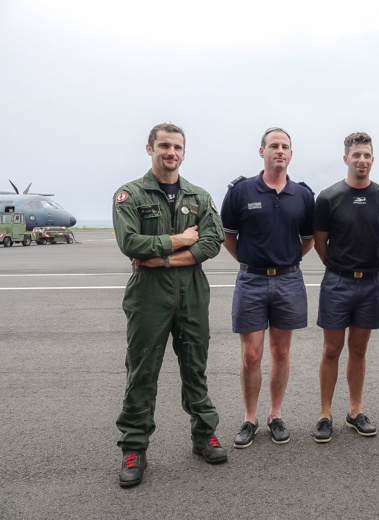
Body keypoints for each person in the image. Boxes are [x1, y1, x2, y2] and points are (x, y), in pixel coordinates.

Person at [113, 123, 227, 488]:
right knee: (142, 370)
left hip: (191, 292)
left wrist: (163, 257)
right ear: (150, 148)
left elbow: (212, 242)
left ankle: (204, 434)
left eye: (177, 146)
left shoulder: (199, 195)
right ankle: (134, 446)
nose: (171, 152)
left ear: (183, 151)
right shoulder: (130, 195)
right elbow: (131, 243)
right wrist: (179, 238)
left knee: (195, 366)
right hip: (148, 296)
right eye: (164, 145)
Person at [220, 127, 315, 447]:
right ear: (262, 151)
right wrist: (252, 261)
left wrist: (283, 263)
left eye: (285, 146)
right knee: (251, 354)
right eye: (273, 145)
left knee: (281, 351)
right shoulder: (240, 191)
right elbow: (229, 238)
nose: (279, 151)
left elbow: (308, 241)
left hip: (288, 279)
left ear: (290, 154)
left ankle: (275, 415)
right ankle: (250, 418)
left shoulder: (303, 195)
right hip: (252, 280)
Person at [312, 132, 379, 443]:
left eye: (367, 155)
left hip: (370, 284)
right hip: (337, 282)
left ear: (372, 158)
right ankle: (324, 414)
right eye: (356, 155)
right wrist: (342, 267)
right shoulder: (328, 197)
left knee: (359, 349)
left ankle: (355, 412)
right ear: (346, 158)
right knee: (331, 350)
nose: (362, 160)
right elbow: (320, 243)